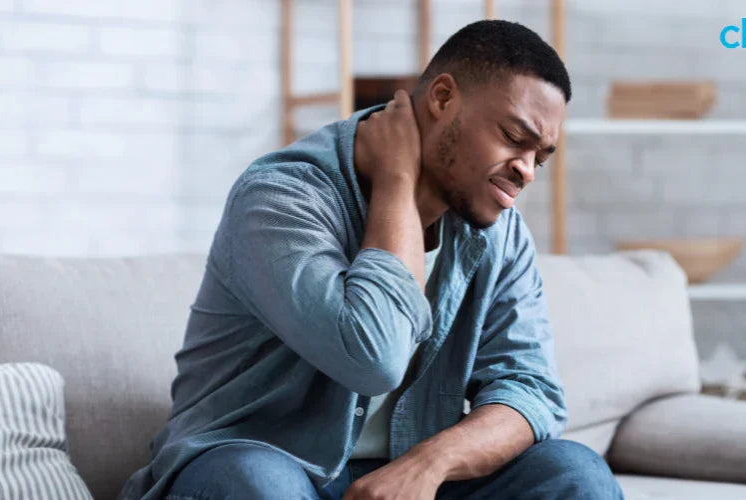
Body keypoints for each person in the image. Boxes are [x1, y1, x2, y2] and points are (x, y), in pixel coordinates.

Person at [120, 19, 624, 500]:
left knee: (574, 473)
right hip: (256, 467)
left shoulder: (499, 230)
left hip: (407, 478)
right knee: (258, 484)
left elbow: (531, 390)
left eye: (541, 155)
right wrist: (397, 185)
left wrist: (429, 464)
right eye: (515, 138)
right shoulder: (280, 198)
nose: (527, 171)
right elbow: (373, 357)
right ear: (443, 99)